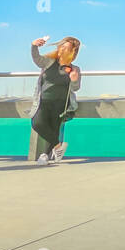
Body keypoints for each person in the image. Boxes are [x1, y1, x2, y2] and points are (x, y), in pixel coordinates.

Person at [30, 35, 81, 164]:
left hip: (61, 103)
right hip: (43, 100)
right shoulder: (49, 61)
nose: (62, 49)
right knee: (37, 123)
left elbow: (75, 88)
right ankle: (58, 146)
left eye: (66, 47)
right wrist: (34, 46)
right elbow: (37, 60)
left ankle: (45, 156)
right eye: (61, 46)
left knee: (54, 128)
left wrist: (74, 80)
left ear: (72, 52)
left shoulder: (74, 69)